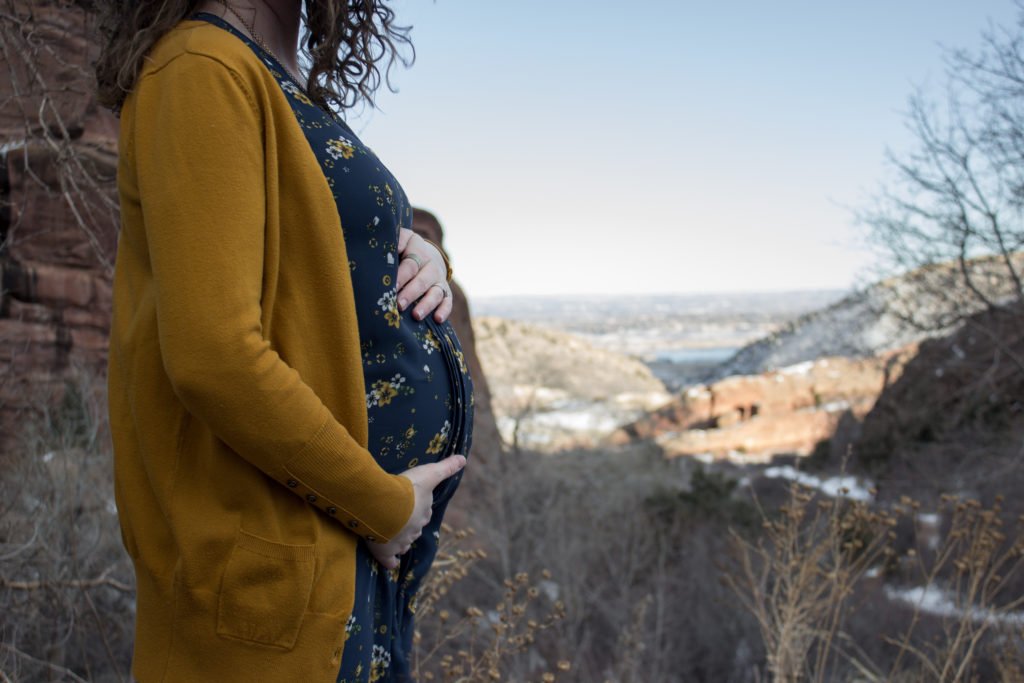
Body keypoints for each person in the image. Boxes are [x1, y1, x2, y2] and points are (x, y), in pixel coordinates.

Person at [96, 1, 473, 680]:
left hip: (344, 567)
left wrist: (421, 257)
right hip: (275, 589)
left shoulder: (271, 74)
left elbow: (304, 267)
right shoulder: (200, 67)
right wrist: (382, 505)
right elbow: (215, 356)